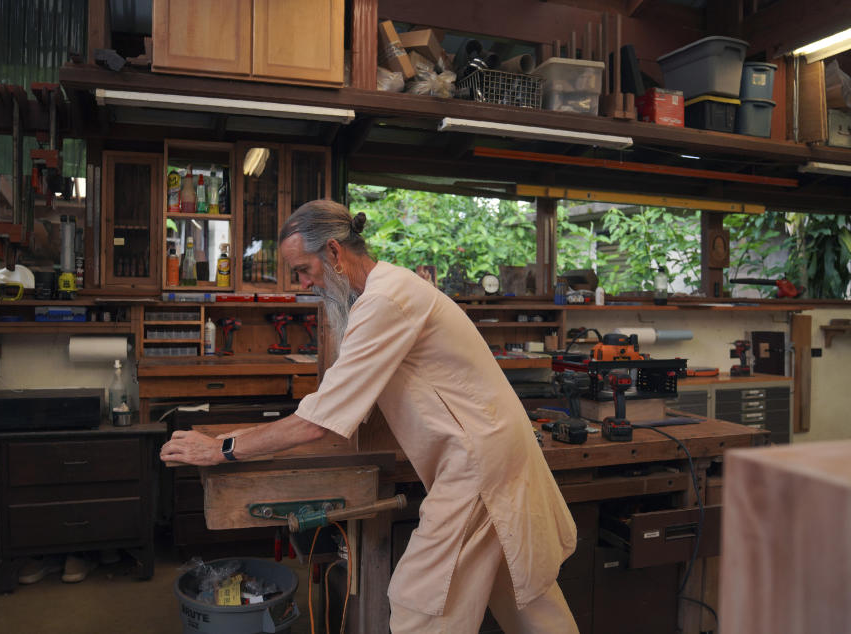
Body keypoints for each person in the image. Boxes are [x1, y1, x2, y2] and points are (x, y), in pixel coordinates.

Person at [160, 200, 579, 633]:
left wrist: (222, 448)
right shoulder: (387, 289)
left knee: (421, 609)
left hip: (475, 467)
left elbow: (317, 421)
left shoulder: (385, 301)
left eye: (304, 269)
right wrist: (247, 433)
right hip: (491, 455)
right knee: (528, 600)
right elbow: (336, 405)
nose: (304, 283)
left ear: (336, 254)